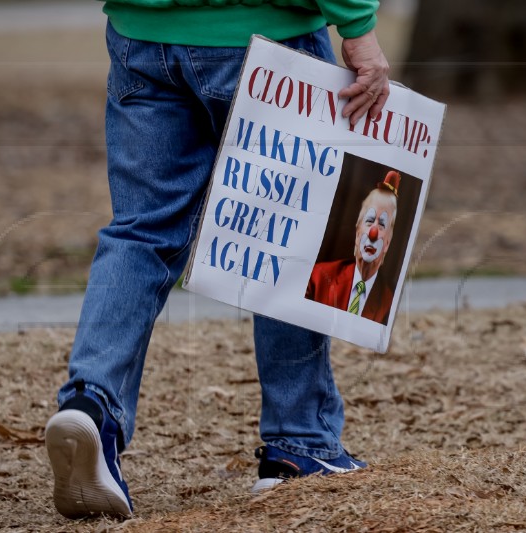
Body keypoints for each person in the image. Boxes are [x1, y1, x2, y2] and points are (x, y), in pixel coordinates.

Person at [44, 0, 390, 519]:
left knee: (141, 231)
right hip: (271, 36)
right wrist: (357, 23)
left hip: (143, 36)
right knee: (288, 230)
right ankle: (299, 443)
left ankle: (91, 402)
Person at [306, 170, 399, 325]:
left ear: (387, 244)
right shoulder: (317, 278)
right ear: (357, 235)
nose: (373, 233)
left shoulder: (388, 302)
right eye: (369, 221)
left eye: (382, 224)